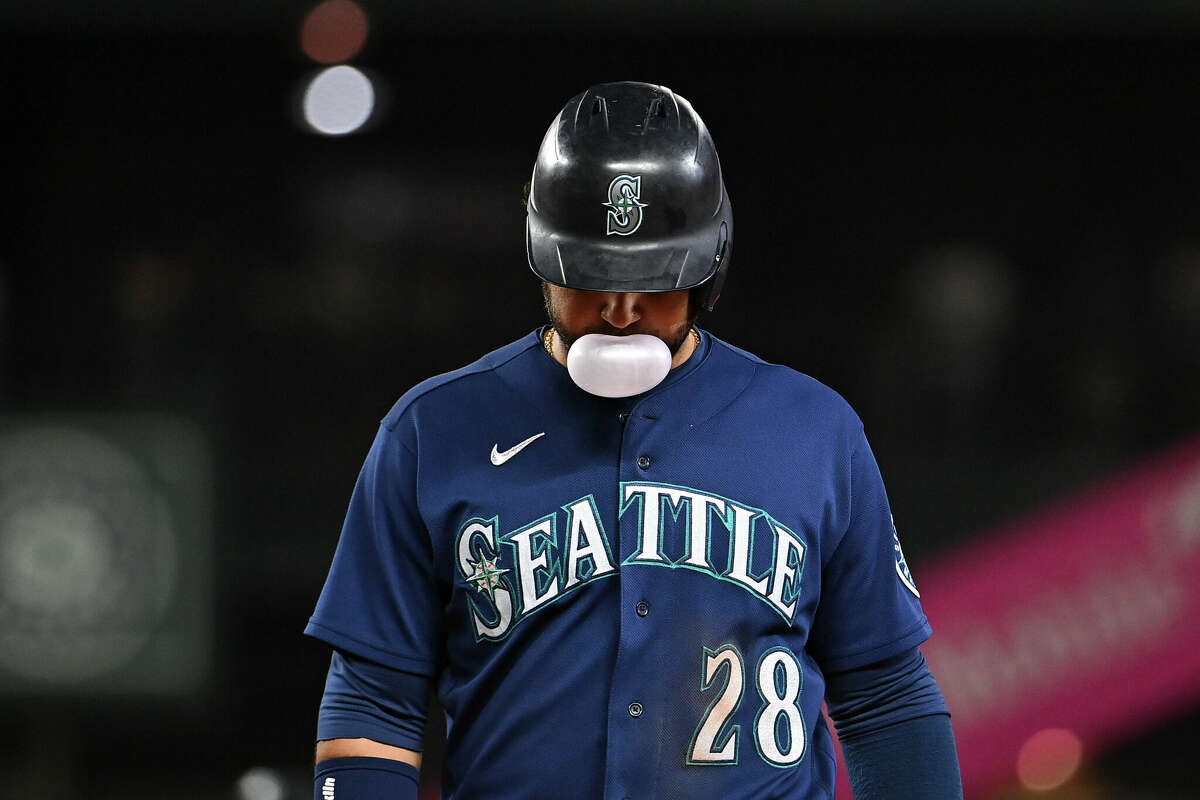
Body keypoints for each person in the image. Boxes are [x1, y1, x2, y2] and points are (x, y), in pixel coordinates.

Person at [305, 81, 963, 799]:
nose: (620, 310)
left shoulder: (815, 430)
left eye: (653, 278)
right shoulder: (431, 433)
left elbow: (886, 698)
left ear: (709, 264)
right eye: (592, 275)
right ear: (543, 255)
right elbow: (375, 700)